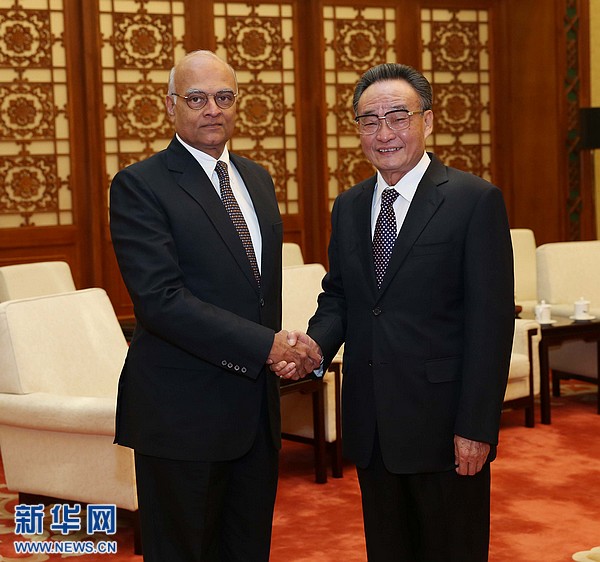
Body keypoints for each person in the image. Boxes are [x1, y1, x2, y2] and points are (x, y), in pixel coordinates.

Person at [276, 63, 514, 561]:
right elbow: (341, 297)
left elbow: (491, 326)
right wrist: (314, 347)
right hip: (374, 426)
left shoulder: (474, 201)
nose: (384, 133)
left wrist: (477, 427)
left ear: (427, 121)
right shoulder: (349, 206)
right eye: (369, 120)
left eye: (398, 117)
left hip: (445, 427)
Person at [109, 50, 321, 562]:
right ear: (171, 106)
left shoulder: (258, 179)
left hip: (255, 414)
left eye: (224, 97)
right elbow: (161, 302)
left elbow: (255, 290)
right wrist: (266, 346)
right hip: (182, 416)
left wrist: (281, 347)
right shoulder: (140, 185)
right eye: (197, 98)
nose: (212, 109)